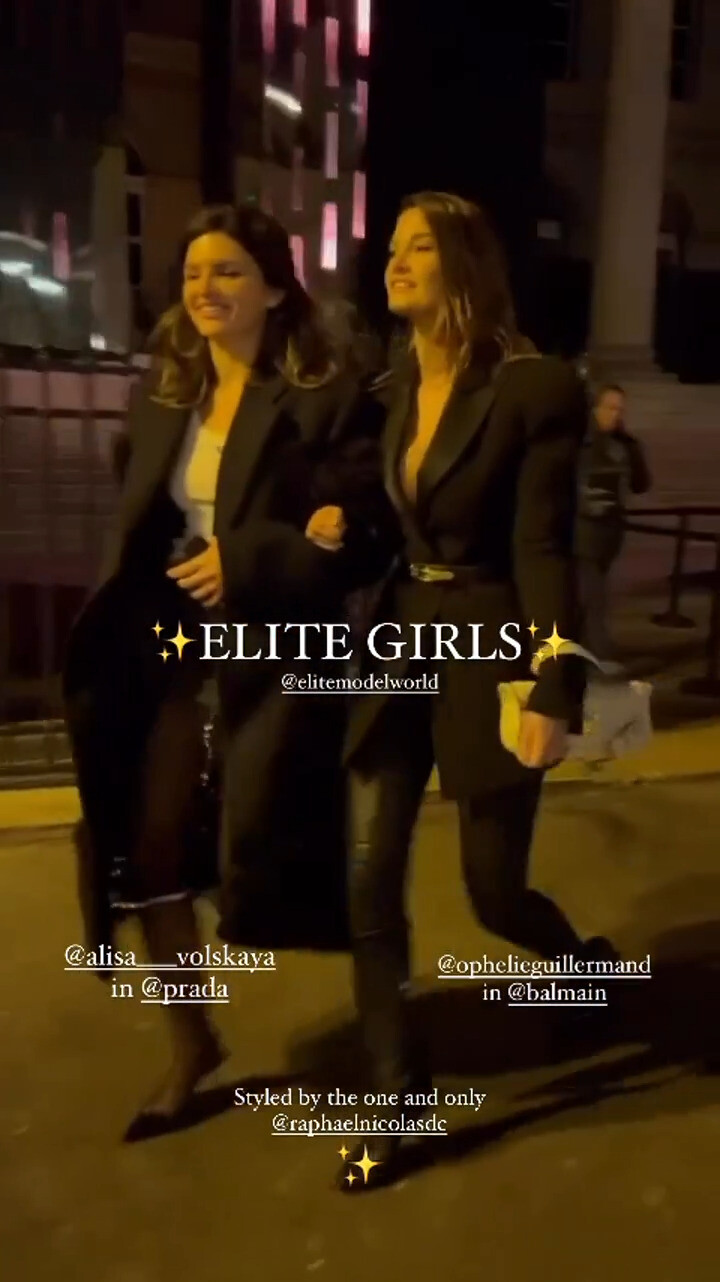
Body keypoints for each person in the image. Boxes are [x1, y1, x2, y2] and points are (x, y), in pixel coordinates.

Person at [307, 192, 620, 1192]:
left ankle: (580, 964)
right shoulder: (391, 387)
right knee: (368, 877)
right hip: (401, 639)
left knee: (493, 892)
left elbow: (543, 548)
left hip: (492, 645)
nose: (394, 261)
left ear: (466, 264)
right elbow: (395, 517)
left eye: (419, 247)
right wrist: (341, 523)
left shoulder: (532, 389)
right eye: (392, 247)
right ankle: (397, 1099)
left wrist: (556, 682)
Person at [64, 203, 388, 1142]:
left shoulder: (323, 397)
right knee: (145, 845)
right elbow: (143, 510)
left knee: (289, 851)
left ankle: (392, 1050)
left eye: (230, 271)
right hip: (165, 648)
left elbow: (364, 532)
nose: (205, 288)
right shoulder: (166, 390)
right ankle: (191, 1041)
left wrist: (256, 555)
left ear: (276, 288)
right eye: (194, 273)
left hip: (269, 654)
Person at [575, 384, 652, 665]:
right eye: (610, 408)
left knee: (592, 591)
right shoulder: (578, 443)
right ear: (595, 408)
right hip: (583, 528)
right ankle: (597, 652)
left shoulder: (625, 445)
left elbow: (641, 484)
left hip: (610, 530)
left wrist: (633, 454)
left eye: (620, 409)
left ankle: (585, 648)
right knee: (592, 592)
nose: (616, 415)